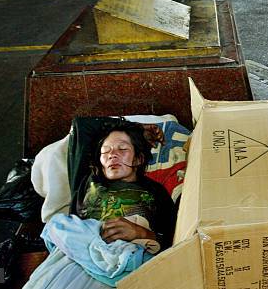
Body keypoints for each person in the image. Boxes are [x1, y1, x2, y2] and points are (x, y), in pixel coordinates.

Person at [24, 122, 176, 288]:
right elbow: (82, 126)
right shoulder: (89, 180)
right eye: (106, 150)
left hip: (122, 262)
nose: (112, 155)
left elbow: (173, 243)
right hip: (75, 255)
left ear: (139, 158)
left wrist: (142, 233)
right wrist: (135, 127)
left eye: (123, 149)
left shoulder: (155, 191)